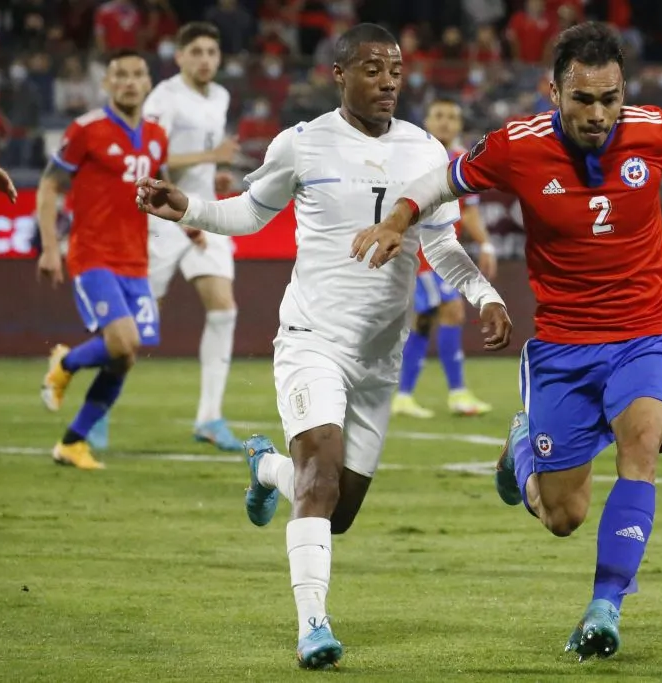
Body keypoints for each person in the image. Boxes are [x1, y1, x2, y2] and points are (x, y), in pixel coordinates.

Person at [135, 23, 512, 670]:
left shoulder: (425, 150)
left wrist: (484, 295)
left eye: (394, 68)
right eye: (372, 68)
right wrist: (189, 208)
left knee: (335, 511)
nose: (388, 80)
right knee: (320, 476)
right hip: (313, 339)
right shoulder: (302, 143)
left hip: (380, 356)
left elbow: (443, 244)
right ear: (338, 74)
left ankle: (264, 468)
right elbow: (251, 213)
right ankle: (314, 625)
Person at [351, 22, 662, 660]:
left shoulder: (654, 129)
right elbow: (443, 180)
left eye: (610, 98)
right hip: (565, 344)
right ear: (554, 92)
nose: (600, 113)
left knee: (642, 446)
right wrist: (396, 220)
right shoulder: (514, 146)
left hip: (649, 329)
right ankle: (522, 445)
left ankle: (606, 606)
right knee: (563, 516)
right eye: (584, 99)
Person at [86, 22, 242, 452]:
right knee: (133, 323)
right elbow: (151, 155)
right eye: (197, 51)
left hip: (205, 213)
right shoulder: (165, 98)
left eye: (212, 51)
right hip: (160, 218)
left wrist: (215, 172)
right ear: (179, 56)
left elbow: (195, 163)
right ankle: (96, 412)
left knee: (224, 308)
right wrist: (210, 158)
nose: (206, 59)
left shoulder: (221, 97)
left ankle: (210, 417)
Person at [37, 50, 170, 470]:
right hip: (92, 254)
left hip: (136, 260)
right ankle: (67, 362)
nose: (130, 82)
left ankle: (72, 443)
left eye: (137, 74)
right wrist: (48, 247)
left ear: (148, 82)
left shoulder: (156, 136)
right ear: (106, 84)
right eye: (121, 75)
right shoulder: (86, 130)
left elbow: (154, 190)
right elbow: (48, 186)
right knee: (123, 342)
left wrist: (190, 225)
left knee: (125, 356)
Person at [392, 98, 498, 419]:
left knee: (423, 321)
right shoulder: (414, 157)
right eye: (438, 115)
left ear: (460, 124)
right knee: (452, 311)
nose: (445, 122)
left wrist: (486, 244)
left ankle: (403, 396)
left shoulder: (464, 161)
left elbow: (470, 212)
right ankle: (457, 394)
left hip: (438, 250)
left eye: (452, 116)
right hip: (421, 249)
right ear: (426, 120)